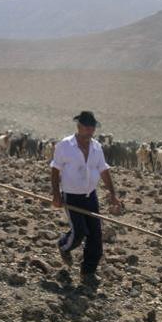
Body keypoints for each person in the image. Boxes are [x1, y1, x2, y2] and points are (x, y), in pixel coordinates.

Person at [50, 111, 122, 285]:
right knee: (79, 232)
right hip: (71, 196)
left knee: (96, 235)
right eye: (87, 127)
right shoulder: (65, 145)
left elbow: (104, 170)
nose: (90, 131)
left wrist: (113, 194)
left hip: (90, 196)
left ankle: (88, 272)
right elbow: (55, 170)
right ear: (79, 127)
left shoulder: (97, 147)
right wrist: (56, 194)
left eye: (93, 128)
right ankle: (63, 245)